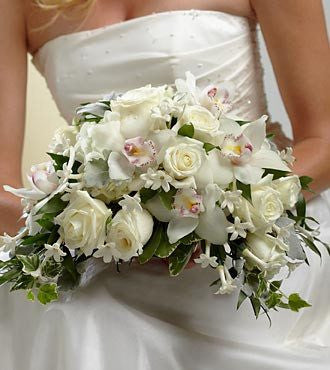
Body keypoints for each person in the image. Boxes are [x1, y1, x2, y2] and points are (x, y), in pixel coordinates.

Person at [0, 1, 329, 369]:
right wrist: (95, 232)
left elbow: (324, 137)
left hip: (248, 236)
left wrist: (226, 213)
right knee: (71, 308)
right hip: (110, 252)